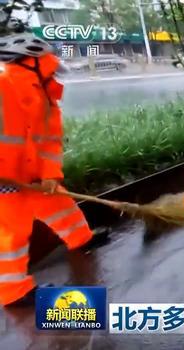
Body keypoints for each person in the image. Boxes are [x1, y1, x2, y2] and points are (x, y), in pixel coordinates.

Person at [0, 31, 110, 307]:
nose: (55, 74)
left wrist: (50, 174)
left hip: (34, 175)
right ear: (29, 65)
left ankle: (81, 239)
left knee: (61, 204)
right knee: (12, 233)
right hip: (4, 180)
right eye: (49, 68)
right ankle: (13, 291)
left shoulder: (47, 101)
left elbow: (50, 142)